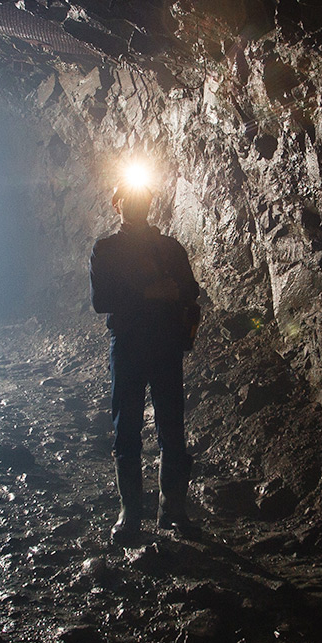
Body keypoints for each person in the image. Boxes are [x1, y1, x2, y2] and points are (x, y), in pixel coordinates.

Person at [90, 180, 202, 545]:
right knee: (128, 429)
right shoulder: (105, 250)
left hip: (165, 345)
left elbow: (191, 289)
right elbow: (101, 299)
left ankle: (173, 511)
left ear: (150, 203)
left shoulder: (170, 248)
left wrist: (177, 294)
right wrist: (148, 293)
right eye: (129, 199)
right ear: (117, 203)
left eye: (143, 199)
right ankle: (131, 514)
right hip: (128, 345)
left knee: (172, 426)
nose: (136, 205)